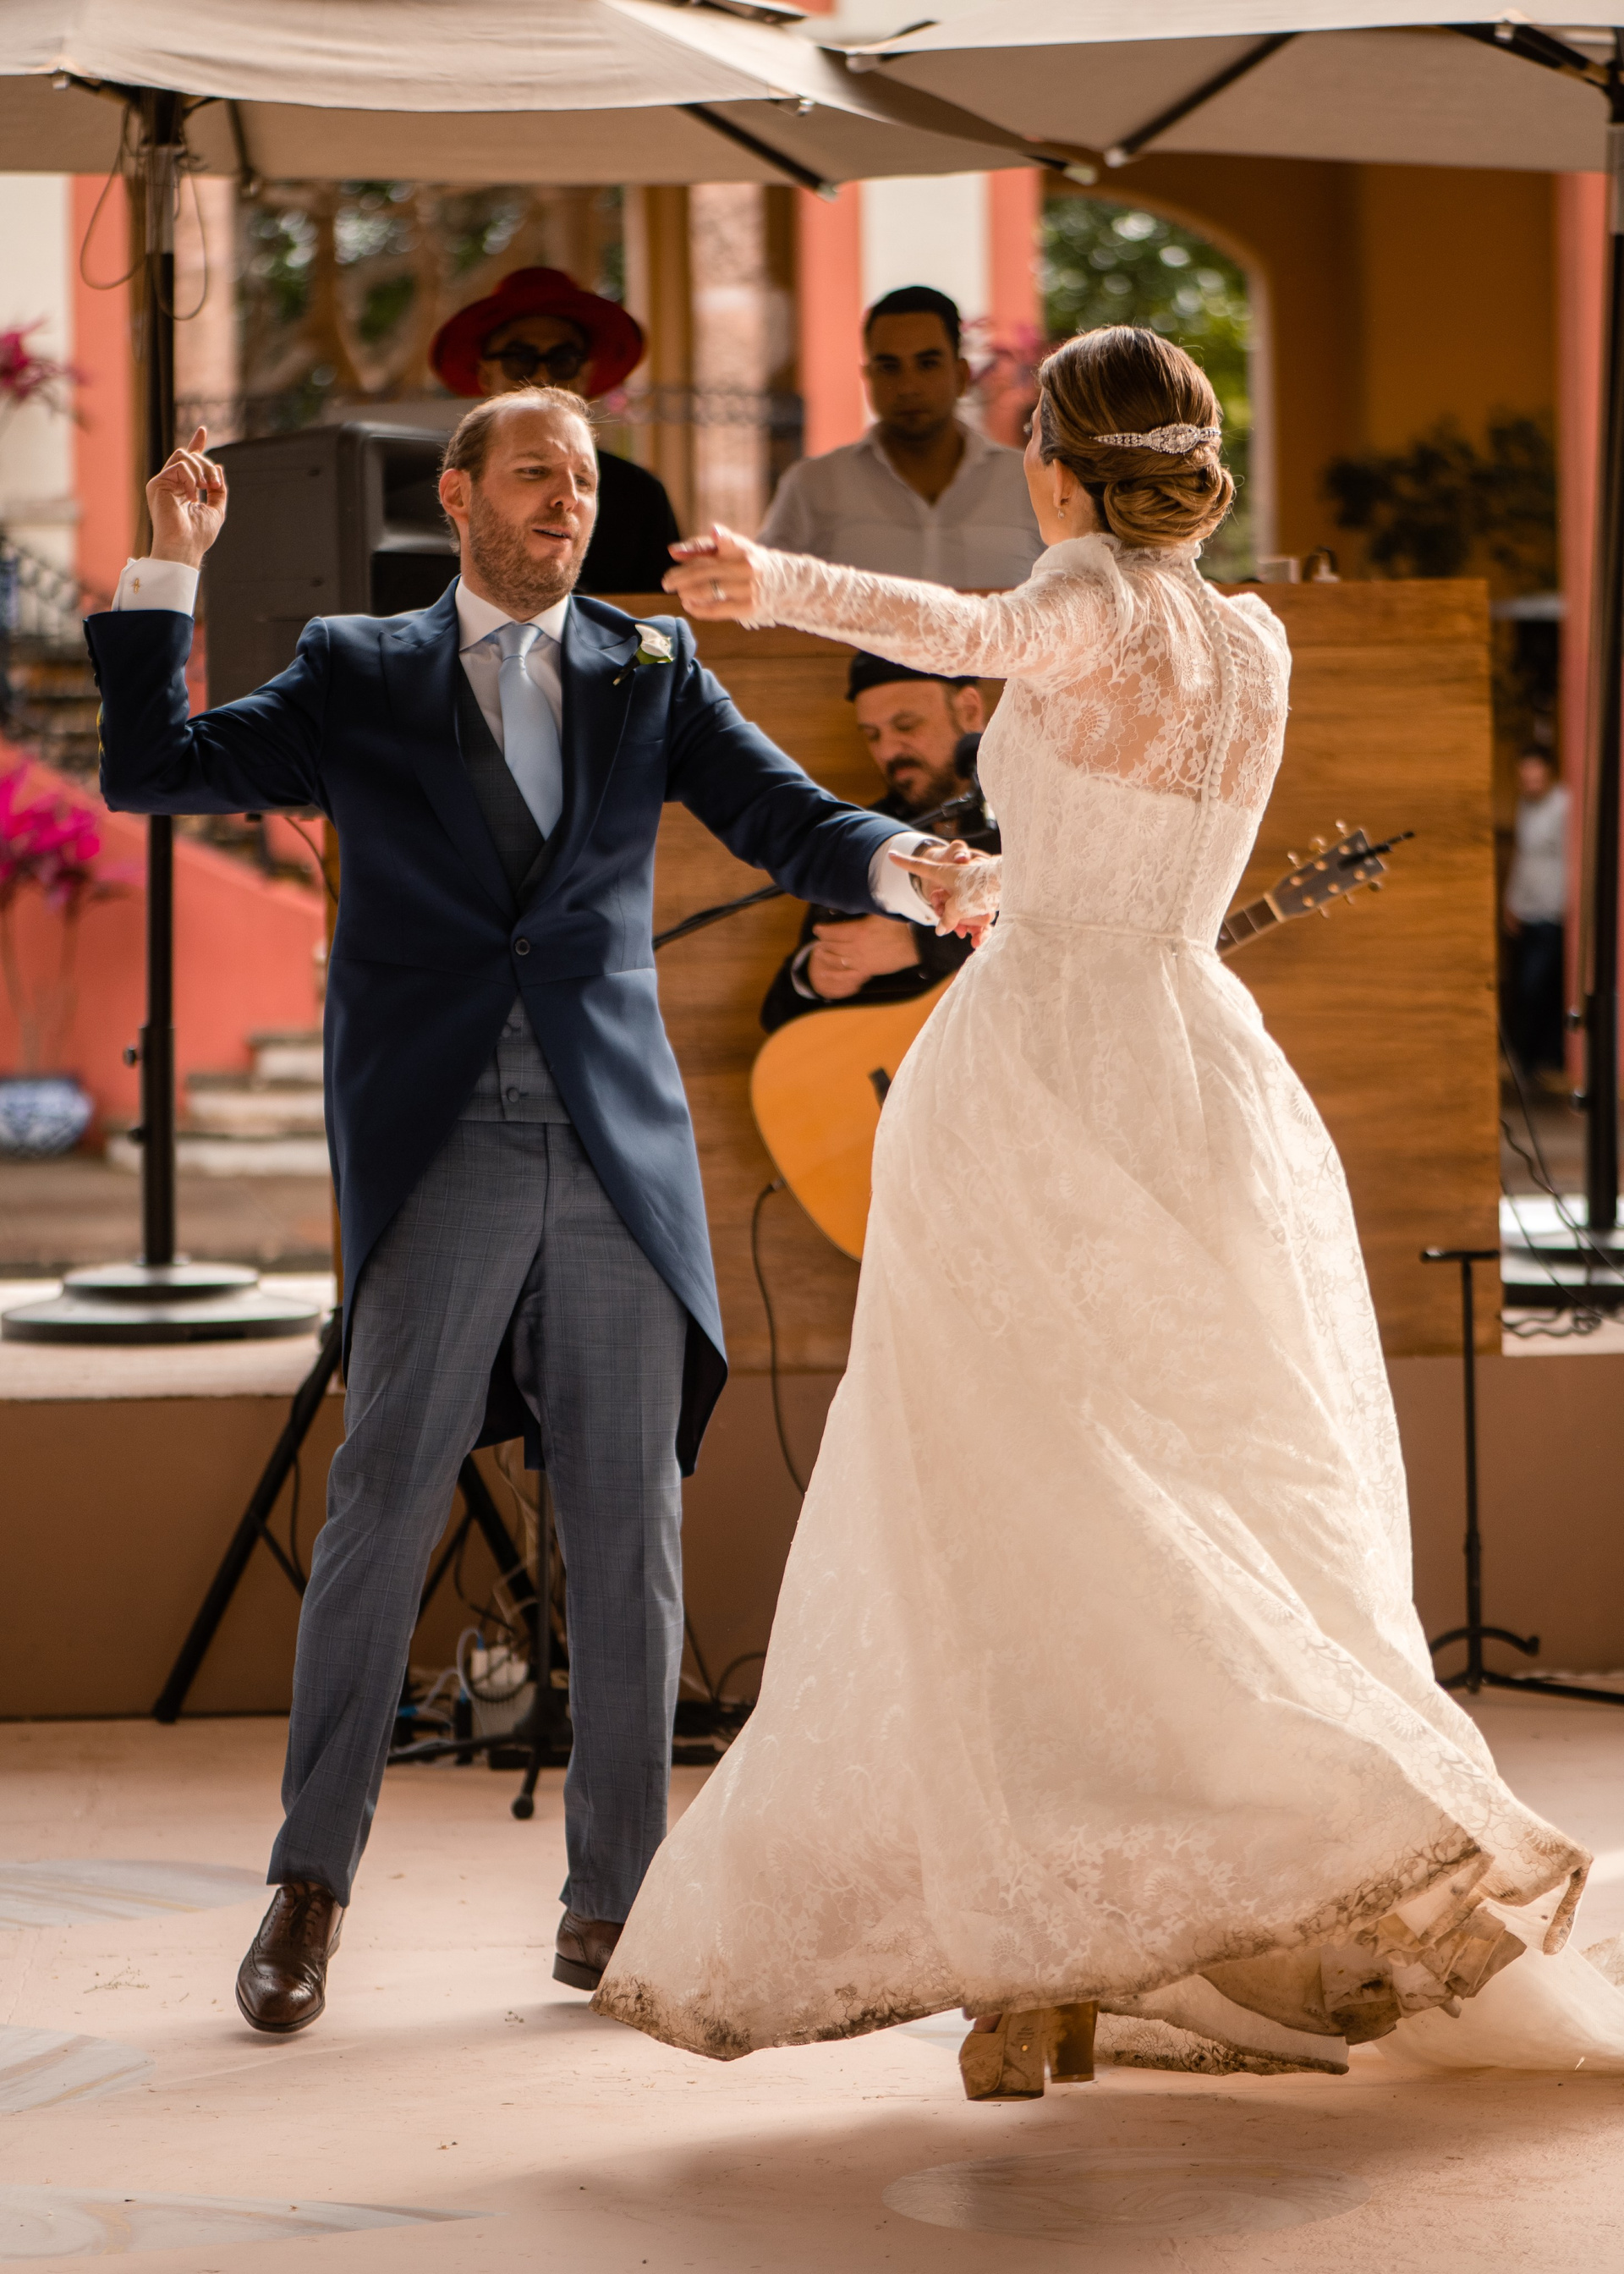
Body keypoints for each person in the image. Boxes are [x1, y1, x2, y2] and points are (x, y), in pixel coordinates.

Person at [595, 326, 1624, 2090]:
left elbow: (966, 632)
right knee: (1185, 1484)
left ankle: (1042, 1957)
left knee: (1007, 1497)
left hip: (1040, 1065)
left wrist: (774, 579)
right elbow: (1113, 823)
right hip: (1200, 1060)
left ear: (1062, 469)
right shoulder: (1251, 636)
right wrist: (994, 869)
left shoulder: (1090, 599)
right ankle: (1109, 1928)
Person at [85, 393, 958, 2036]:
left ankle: (615, 1900)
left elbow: (791, 821)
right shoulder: (357, 667)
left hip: (620, 1148)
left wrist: (917, 871)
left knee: (630, 1523)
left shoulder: (653, 668)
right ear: (459, 494)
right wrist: (167, 567)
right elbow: (155, 767)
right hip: (442, 1141)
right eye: (537, 472)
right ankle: (310, 1884)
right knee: (383, 1501)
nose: (569, 499)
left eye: (584, 478)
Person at [760, 651, 997, 1034]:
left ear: (969, 710)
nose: (888, 751)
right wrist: (814, 976)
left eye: (906, 725)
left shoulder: (1038, 815)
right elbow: (778, 1019)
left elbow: (1072, 936)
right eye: (872, 736)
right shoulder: (863, 836)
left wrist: (917, 944)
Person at [758, 285, 1042, 591]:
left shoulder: (1030, 485)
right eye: (889, 367)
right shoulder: (813, 488)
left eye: (927, 364)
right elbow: (764, 598)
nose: (908, 386)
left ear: (961, 375)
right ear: (869, 378)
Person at [431, 265, 680, 594]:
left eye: (563, 360)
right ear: (485, 374)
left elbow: (663, 611)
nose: (542, 376)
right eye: (519, 358)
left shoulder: (638, 494)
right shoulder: (427, 486)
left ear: (586, 374)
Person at [1501, 747, 1569, 1087]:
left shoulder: (1564, 806)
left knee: (1539, 987)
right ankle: (1529, 1062)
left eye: (1535, 776)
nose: (1529, 783)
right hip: (1527, 910)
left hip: (1553, 911)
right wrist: (1510, 902)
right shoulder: (1524, 806)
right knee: (1524, 987)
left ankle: (1536, 1061)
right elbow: (1522, 856)